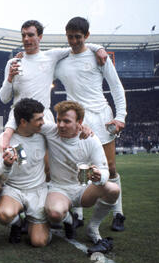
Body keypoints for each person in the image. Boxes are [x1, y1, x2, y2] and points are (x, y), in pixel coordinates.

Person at [54, 16, 127, 231]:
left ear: (86, 36)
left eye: (78, 37)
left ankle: (118, 213)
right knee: (79, 167)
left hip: (101, 118)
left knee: (110, 167)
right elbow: (39, 60)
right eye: (70, 37)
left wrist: (120, 117)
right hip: (75, 121)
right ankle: (77, 214)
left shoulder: (99, 58)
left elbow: (116, 87)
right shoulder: (61, 61)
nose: (74, 41)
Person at [0, 19, 108, 149]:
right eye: (23, 35)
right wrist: (10, 78)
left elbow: (77, 46)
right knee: (17, 160)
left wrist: (98, 48)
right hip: (19, 119)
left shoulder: (51, 56)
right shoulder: (13, 63)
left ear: (40, 37)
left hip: (43, 118)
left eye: (31, 35)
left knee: (49, 165)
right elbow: (4, 99)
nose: (26, 39)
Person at [42, 101, 120, 253]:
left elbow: (104, 170)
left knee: (113, 189)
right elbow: (30, 121)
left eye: (67, 121)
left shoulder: (91, 139)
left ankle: (93, 227)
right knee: (55, 214)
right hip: (59, 189)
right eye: (58, 120)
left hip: (83, 190)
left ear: (80, 122)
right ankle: (69, 220)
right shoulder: (51, 131)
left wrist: (99, 176)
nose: (61, 125)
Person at [0, 98, 51, 247]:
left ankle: (62, 219)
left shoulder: (44, 136)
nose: (43, 122)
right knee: (4, 214)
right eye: (39, 119)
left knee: (39, 242)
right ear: (23, 122)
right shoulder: (4, 141)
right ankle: (17, 223)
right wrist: (6, 164)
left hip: (38, 190)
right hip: (14, 190)